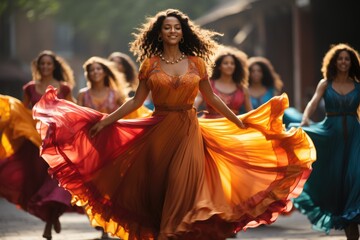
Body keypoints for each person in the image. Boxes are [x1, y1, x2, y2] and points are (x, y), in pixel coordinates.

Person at [33, 9, 315, 240]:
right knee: (160, 190)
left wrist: (237, 119)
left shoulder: (197, 64)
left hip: (189, 129)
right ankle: (163, 232)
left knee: (184, 185)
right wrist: (106, 121)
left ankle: (173, 234)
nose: (172, 31)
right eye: (167, 27)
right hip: (158, 130)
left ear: (183, 32)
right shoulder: (150, 65)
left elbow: (212, 99)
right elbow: (135, 102)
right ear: (160, 32)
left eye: (177, 27)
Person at [290, 43, 360, 239]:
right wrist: (304, 121)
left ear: (351, 62)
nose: (344, 62)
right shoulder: (325, 83)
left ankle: (353, 217)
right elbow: (312, 104)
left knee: (356, 176)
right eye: (340, 59)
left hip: (355, 136)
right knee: (337, 181)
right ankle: (349, 222)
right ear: (334, 62)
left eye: (347, 59)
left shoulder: (358, 85)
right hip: (331, 134)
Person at [22, 50, 81, 240]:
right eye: (42, 64)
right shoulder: (29, 88)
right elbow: (22, 115)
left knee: (56, 183)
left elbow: (73, 110)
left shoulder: (64, 88)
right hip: (36, 143)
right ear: (38, 67)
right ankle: (52, 216)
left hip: (58, 143)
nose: (46, 67)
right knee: (41, 185)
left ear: (54, 66)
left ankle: (49, 223)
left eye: (49, 64)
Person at [194, 45, 252, 118]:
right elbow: (198, 99)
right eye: (225, 63)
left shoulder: (242, 88)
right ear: (219, 66)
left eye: (232, 63)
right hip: (210, 125)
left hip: (233, 126)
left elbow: (251, 112)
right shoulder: (209, 84)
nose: (229, 66)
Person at [247, 56, 303, 127]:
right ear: (248, 73)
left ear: (264, 73)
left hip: (273, 121)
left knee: (294, 118)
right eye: (253, 71)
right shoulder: (244, 90)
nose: (256, 73)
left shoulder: (271, 90)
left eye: (259, 71)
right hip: (252, 123)